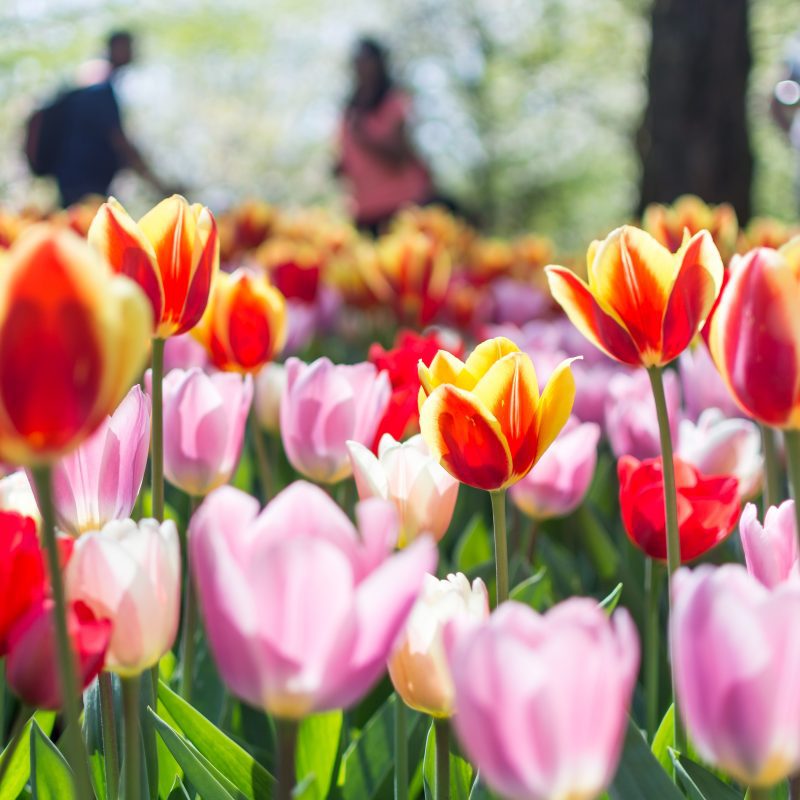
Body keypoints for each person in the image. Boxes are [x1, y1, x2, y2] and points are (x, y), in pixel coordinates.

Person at [47, 31, 172, 207]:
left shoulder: (92, 82)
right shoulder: (100, 88)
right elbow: (119, 140)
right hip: (85, 180)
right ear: (115, 48)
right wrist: (158, 185)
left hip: (74, 177)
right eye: (129, 47)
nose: (133, 52)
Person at [336, 38, 435, 234]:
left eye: (367, 61)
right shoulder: (348, 112)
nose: (362, 67)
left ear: (380, 63)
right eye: (358, 62)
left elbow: (399, 155)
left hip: (401, 206)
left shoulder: (394, 102)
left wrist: (365, 138)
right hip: (363, 210)